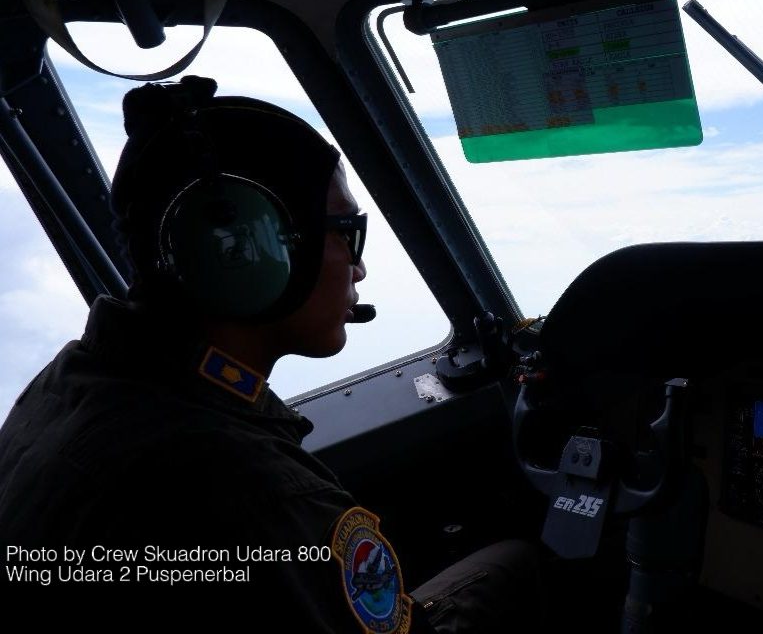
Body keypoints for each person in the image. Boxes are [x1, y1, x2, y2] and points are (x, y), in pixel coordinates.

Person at [0, 77, 540, 632]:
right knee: (527, 567)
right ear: (245, 252)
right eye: (346, 233)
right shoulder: (249, 490)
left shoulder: (70, 381)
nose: (360, 269)